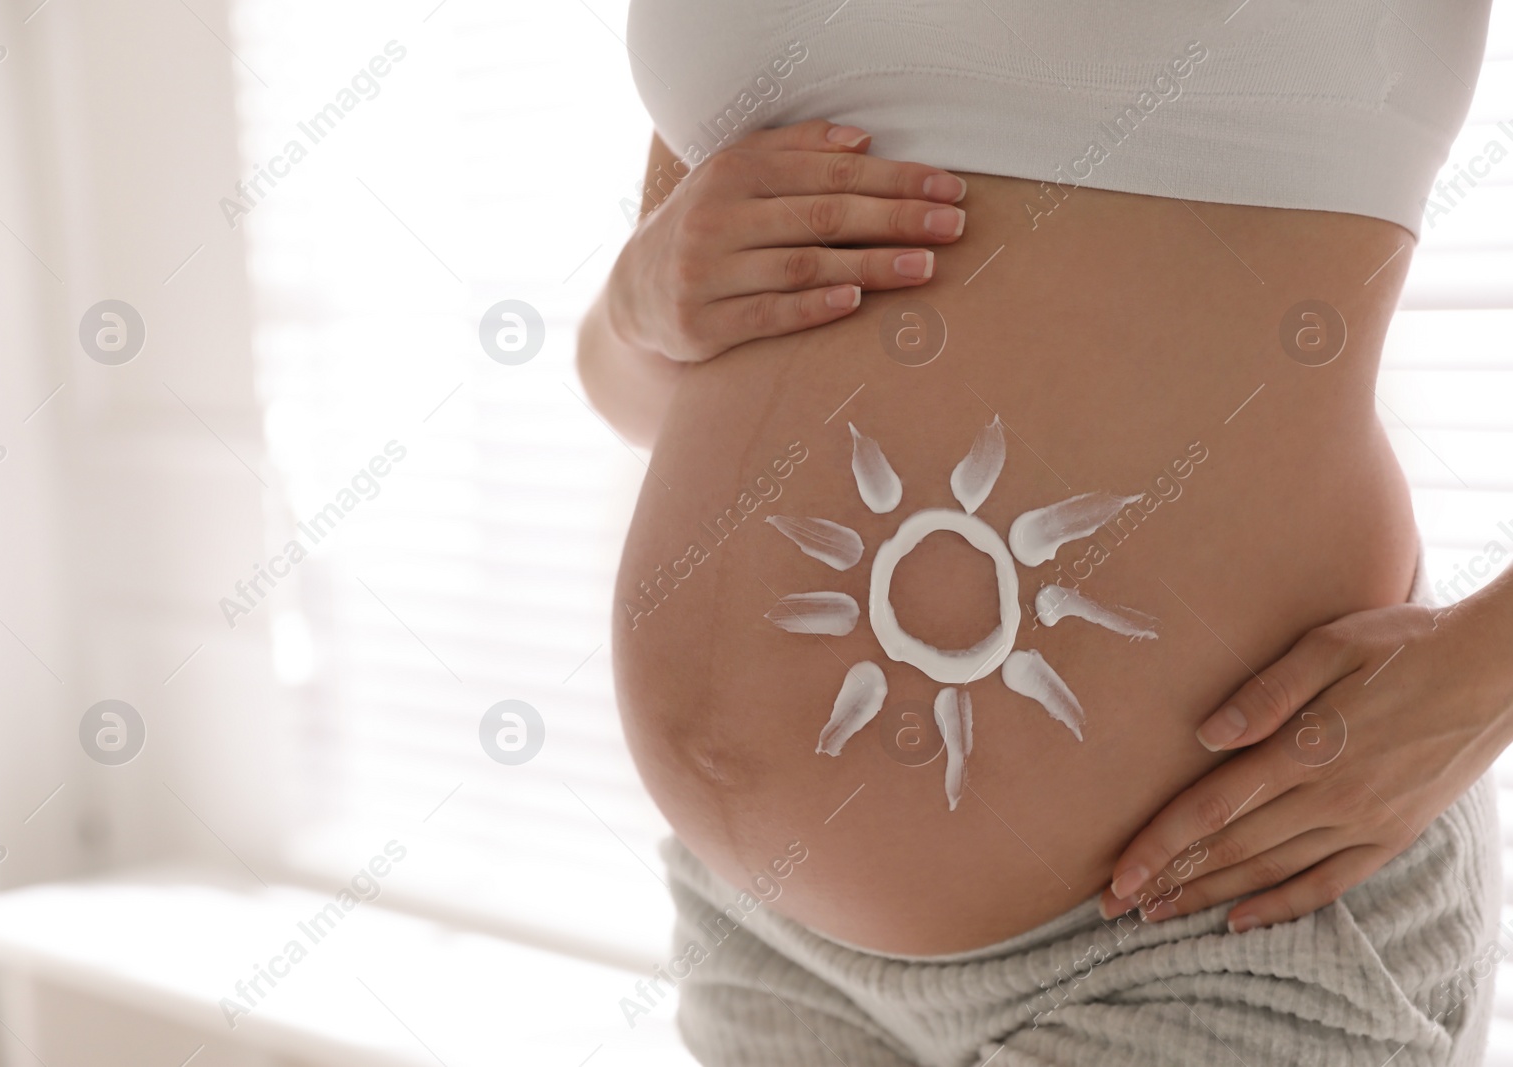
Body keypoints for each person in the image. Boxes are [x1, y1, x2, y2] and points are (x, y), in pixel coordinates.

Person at [577, 3, 1511, 1063]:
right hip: (762, 940)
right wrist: (633, 306)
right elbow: (654, 391)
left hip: (1214, 925)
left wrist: (1488, 673)